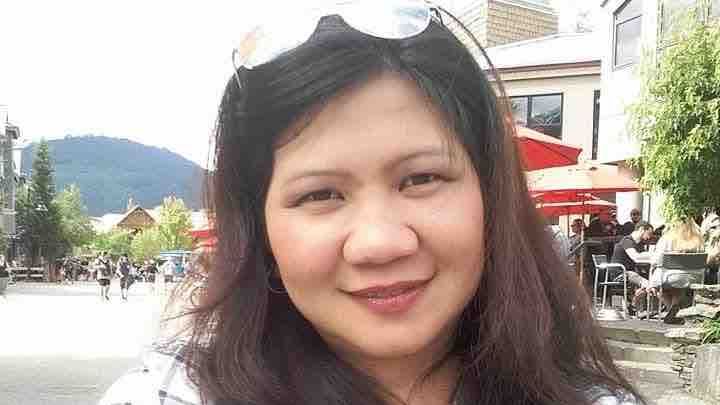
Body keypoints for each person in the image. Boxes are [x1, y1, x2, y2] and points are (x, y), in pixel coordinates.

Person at [100, 4, 643, 405]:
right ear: (258, 225)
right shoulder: (176, 393)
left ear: (490, 195)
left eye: (422, 178)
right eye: (320, 194)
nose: (380, 243)